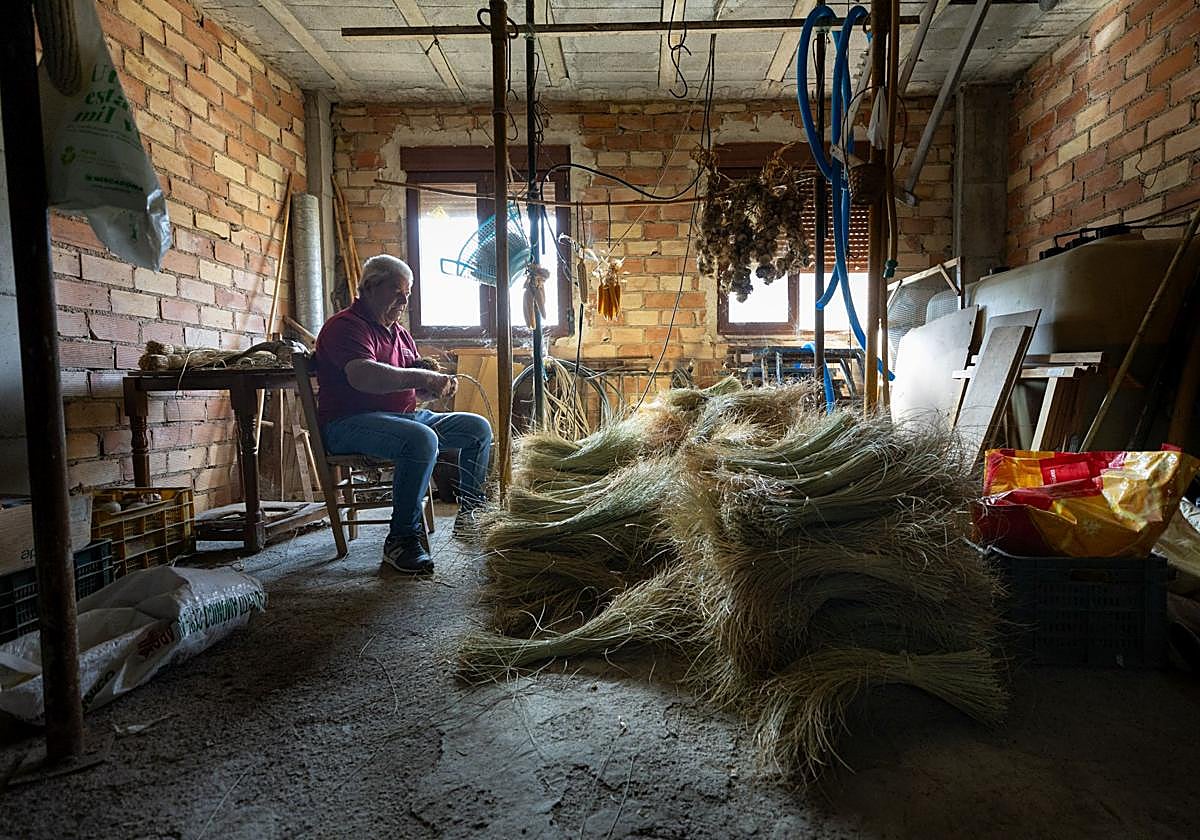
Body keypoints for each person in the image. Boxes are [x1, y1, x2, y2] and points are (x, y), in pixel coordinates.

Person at [314, 255, 493, 574]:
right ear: (369, 287)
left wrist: (432, 388)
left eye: (408, 294)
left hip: (402, 420)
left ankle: (470, 515)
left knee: (476, 428)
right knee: (421, 440)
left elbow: (411, 387)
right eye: (397, 291)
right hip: (347, 423)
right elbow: (364, 376)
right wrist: (422, 378)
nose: (404, 300)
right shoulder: (345, 327)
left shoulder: (399, 333)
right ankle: (401, 540)